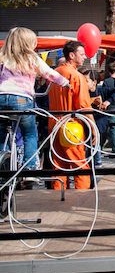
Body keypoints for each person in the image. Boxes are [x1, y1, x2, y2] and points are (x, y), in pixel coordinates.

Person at [0, 27, 70, 175]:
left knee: (1, 134)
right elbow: (50, 74)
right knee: (30, 133)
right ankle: (30, 168)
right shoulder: (32, 58)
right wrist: (65, 82)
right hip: (21, 99)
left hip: (1, 97)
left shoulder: (2, 56)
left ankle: (2, 161)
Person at [49, 40, 94, 190]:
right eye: (81, 54)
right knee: (80, 164)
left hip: (54, 123)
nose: (85, 57)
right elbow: (83, 107)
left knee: (59, 164)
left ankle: (58, 195)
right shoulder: (76, 76)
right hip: (71, 126)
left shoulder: (55, 73)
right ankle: (83, 198)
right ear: (72, 55)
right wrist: (93, 129)